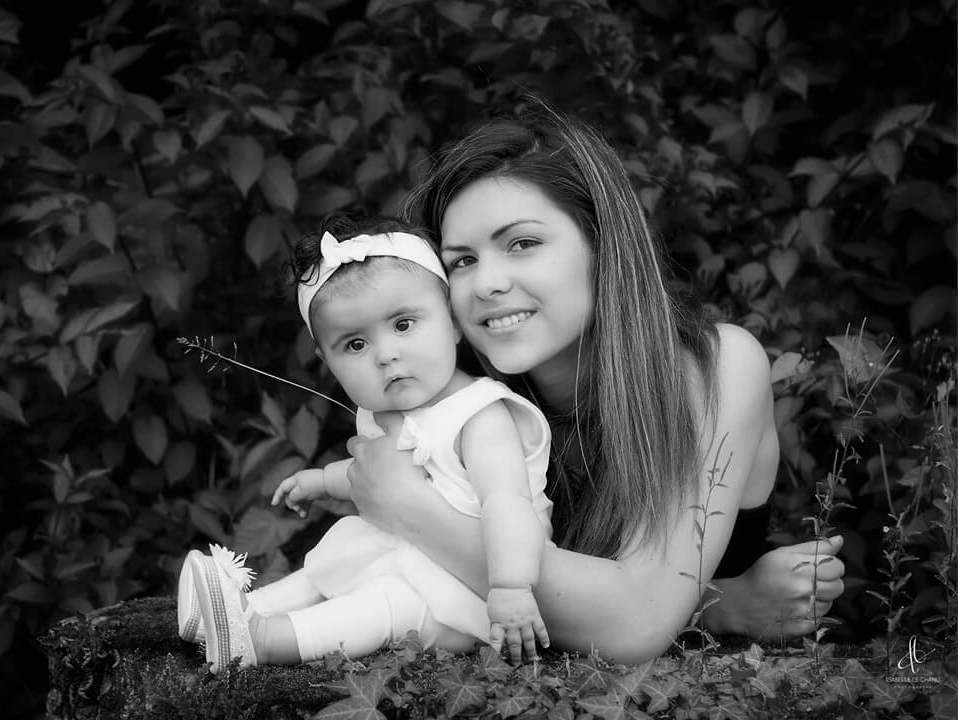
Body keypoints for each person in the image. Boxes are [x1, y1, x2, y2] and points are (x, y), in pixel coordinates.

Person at [340, 103, 846, 664]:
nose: (485, 283)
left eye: (522, 244)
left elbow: (634, 623)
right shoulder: (460, 399)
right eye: (461, 261)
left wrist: (414, 510)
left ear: (602, 246)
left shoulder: (715, 365)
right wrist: (711, 605)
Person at [178, 217, 553, 673]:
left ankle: (265, 641)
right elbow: (375, 473)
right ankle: (240, 612)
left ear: (453, 323)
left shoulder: (480, 414)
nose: (385, 354)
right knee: (329, 564)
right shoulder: (381, 413)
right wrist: (322, 480)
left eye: (404, 324)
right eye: (355, 344)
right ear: (327, 362)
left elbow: (507, 502)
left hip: (469, 594)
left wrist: (511, 587)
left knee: (383, 604)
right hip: (412, 556)